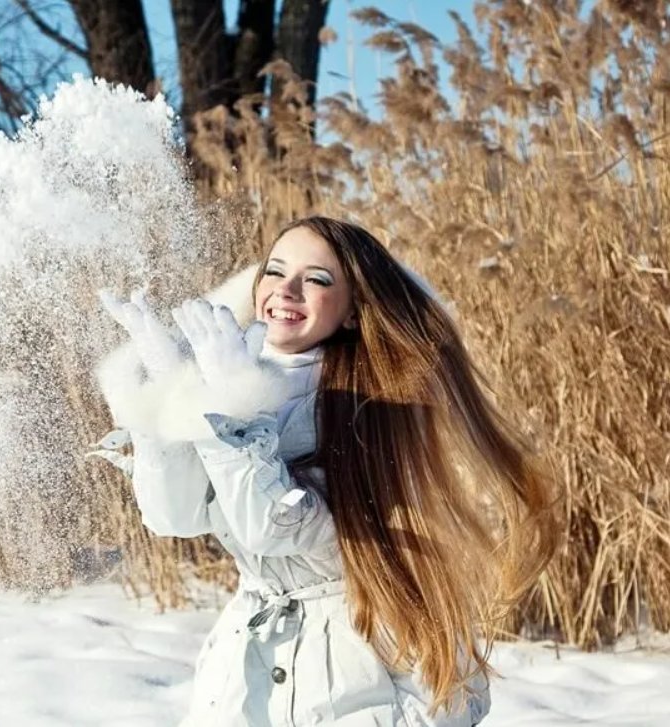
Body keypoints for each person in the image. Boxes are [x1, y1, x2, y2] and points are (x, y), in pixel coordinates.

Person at [95, 216, 557, 727]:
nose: (286, 290)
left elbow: (272, 526)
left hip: (358, 665)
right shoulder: (231, 374)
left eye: (316, 279)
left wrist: (234, 408)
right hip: (244, 670)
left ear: (355, 310)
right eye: (275, 271)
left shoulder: (370, 409)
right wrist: (168, 399)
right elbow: (175, 516)